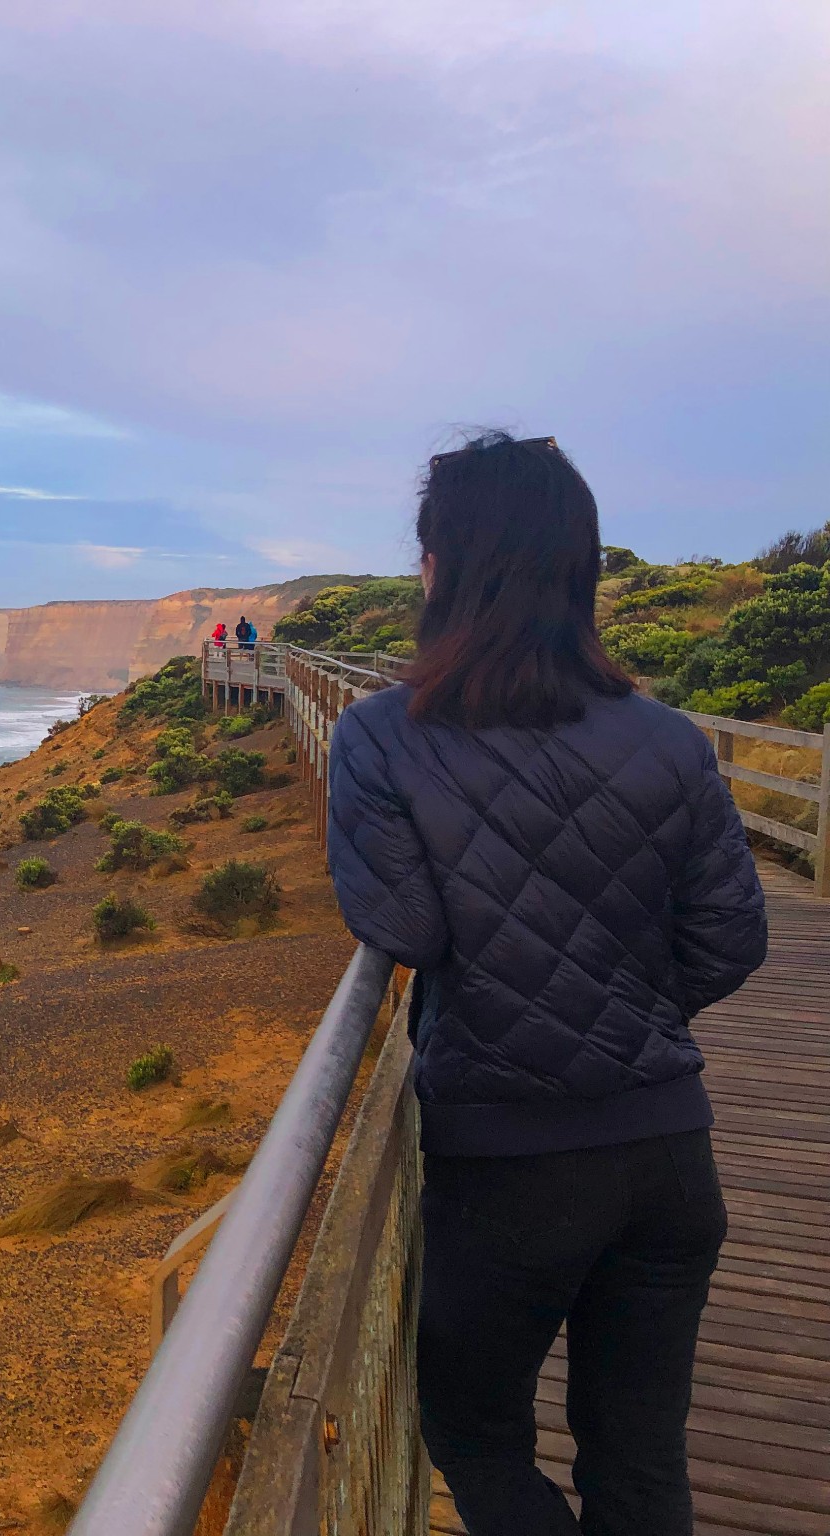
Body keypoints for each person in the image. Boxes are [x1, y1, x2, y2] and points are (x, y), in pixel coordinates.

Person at [327, 432, 764, 1536]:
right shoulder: (666, 739)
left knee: (476, 1442)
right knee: (638, 1471)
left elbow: (406, 928)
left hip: (508, 1167)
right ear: (579, 573)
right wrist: (618, 1014)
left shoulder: (383, 735)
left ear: (442, 570)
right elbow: (728, 940)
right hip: (668, 1156)